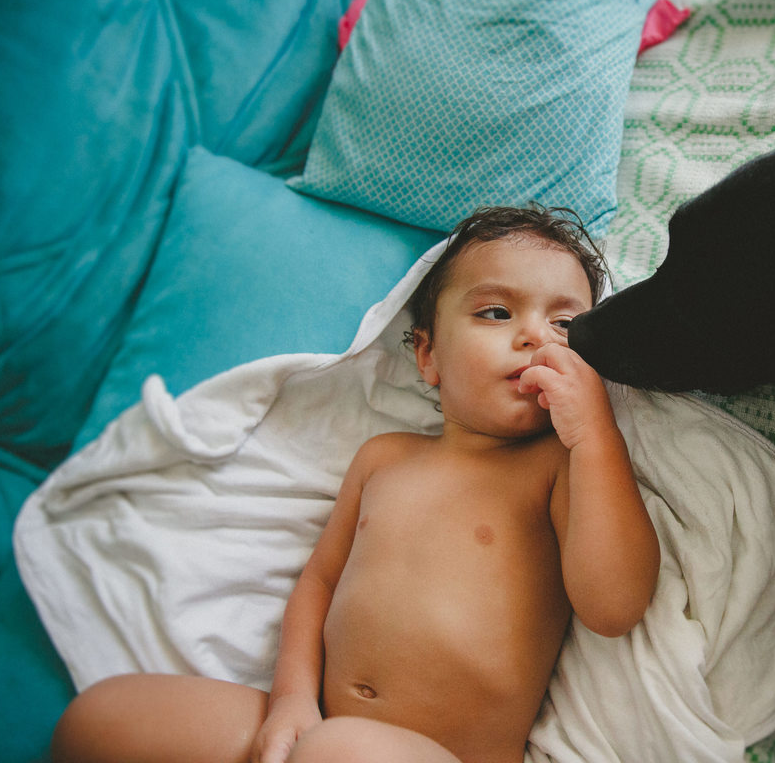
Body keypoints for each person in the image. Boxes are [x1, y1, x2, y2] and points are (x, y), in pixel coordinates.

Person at [51, 205, 661, 763]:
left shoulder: (556, 467)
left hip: (437, 754)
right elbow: (318, 582)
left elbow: (613, 607)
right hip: (316, 729)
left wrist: (595, 435)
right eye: (496, 312)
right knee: (101, 719)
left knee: (340, 752)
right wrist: (290, 700)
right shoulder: (383, 459)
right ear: (428, 357)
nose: (534, 336)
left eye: (565, 324)